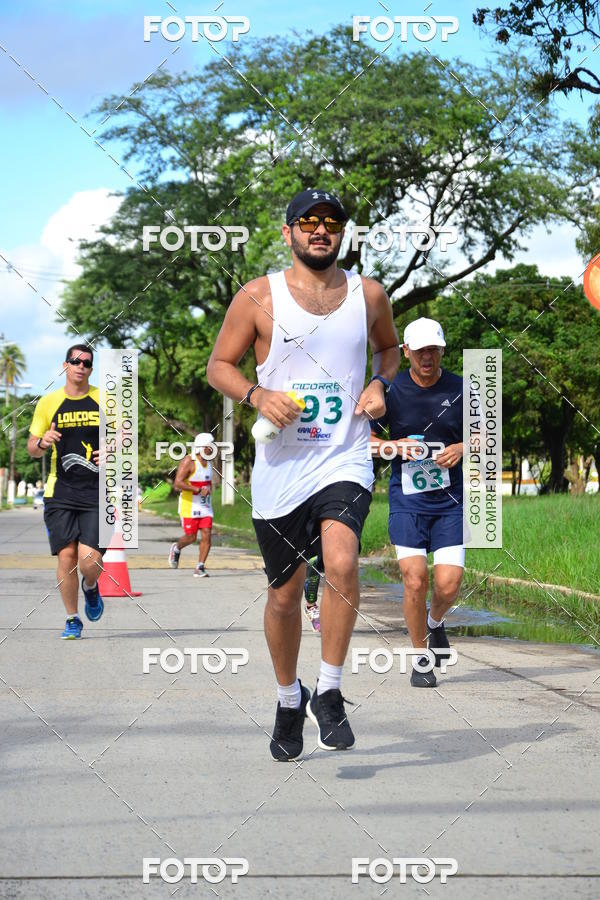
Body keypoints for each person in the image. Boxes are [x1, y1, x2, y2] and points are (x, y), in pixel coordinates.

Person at [207, 188, 400, 759]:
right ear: (289, 231)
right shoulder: (258, 297)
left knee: (342, 560)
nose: (321, 230)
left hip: (343, 456)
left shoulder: (368, 295)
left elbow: (388, 351)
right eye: (309, 222)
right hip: (281, 468)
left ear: (343, 233)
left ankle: (332, 692)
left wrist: (379, 384)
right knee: (285, 596)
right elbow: (219, 365)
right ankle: (290, 697)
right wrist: (257, 393)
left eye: (332, 222)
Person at [370, 318, 464, 687]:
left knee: (448, 584)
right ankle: (421, 657)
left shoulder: (462, 389)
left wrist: (462, 447)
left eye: (433, 349)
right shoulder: (388, 392)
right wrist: (395, 446)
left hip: (450, 503)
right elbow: (366, 443)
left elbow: (488, 438)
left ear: (442, 350)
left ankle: (435, 622)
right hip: (407, 501)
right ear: (405, 351)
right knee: (414, 580)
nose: (427, 356)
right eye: (420, 349)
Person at [27, 345, 104, 639]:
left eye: (86, 362)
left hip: (97, 492)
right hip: (59, 491)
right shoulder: (48, 403)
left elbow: (125, 438)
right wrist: (44, 441)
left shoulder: (104, 399)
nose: (80, 366)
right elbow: (32, 449)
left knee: (89, 561)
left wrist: (112, 450)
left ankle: (91, 587)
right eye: (75, 361)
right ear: (65, 365)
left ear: (91, 369)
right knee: (67, 556)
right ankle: (72, 618)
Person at [168, 433, 214, 577]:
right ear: (202, 447)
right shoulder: (189, 461)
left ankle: (200, 567)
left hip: (205, 506)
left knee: (207, 533)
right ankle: (176, 547)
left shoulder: (209, 463)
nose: (213, 448)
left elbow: (208, 483)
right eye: (210, 446)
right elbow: (178, 483)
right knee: (191, 537)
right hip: (189, 505)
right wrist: (198, 490)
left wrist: (208, 489)